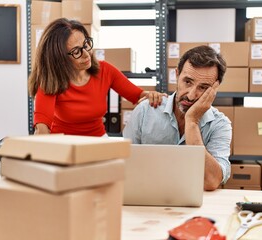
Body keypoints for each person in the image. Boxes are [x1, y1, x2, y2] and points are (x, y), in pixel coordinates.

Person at [28, 18, 166, 136]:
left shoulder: (105, 70)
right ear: (59, 58)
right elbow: (42, 128)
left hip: (98, 141)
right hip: (64, 143)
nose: (87, 54)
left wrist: (153, 96)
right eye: (76, 51)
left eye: (86, 44)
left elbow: (138, 95)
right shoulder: (51, 81)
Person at [123, 45, 232, 191]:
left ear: (214, 89)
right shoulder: (145, 111)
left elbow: (211, 181)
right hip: (146, 197)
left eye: (203, 87)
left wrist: (192, 122)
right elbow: (122, 165)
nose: (191, 95)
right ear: (176, 75)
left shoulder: (220, 124)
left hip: (196, 205)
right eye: (187, 82)